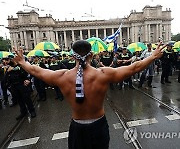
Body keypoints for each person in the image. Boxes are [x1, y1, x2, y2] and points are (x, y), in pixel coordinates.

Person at [13, 40, 165, 149]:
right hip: (99, 126)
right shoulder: (103, 74)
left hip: (77, 127)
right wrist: (152, 56)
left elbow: (36, 71)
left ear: (73, 57)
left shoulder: (62, 76)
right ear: (91, 55)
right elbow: (133, 68)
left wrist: (22, 62)